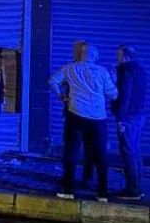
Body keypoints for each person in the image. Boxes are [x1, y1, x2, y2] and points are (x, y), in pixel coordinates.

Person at [49, 40, 117, 201]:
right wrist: (112, 81)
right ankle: (102, 193)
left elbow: (52, 81)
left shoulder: (70, 68)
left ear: (81, 54)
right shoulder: (102, 71)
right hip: (98, 119)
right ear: (93, 56)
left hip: (76, 115)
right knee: (100, 155)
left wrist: (62, 97)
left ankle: (68, 190)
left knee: (71, 152)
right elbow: (113, 94)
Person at [113, 45, 147, 201]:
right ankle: (138, 187)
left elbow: (125, 96)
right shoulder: (140, 69)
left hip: (128, 116)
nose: (117, 58)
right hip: (139, 115)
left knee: (127, 152)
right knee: (135, 151)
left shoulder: (125, 70)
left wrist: (121, 118)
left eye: (118, 55)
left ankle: (132, 190)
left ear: (126, 57)